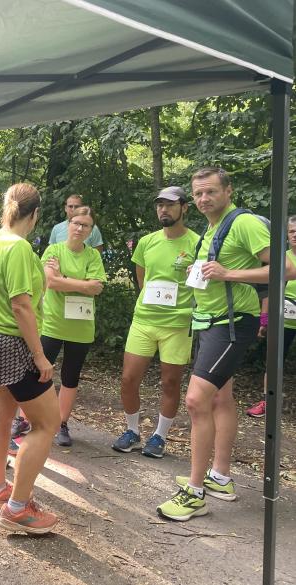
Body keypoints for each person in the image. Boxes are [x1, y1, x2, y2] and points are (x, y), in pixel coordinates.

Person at [156, 167, 295, 521]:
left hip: (232, 325)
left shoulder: (244, 223)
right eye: (198, 194)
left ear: (228, 191)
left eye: (210, 192)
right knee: (220, 398)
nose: (204, 199)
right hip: (210, 322)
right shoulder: (214, 226)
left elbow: (288, 268)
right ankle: (219, 476)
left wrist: (228, 273)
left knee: (195, 399)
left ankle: (195, 492)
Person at [0, 183, 60, 534]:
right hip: (11, 343)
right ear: (35, 214)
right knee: (47, 424)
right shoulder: (19, 248)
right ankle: (17, 509)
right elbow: (21, 304)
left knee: (2, 414)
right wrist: (40, 356)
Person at [112, 187, 198, 458]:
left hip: (178, 324)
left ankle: (160, 436)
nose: (164, 209)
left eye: (170, 205)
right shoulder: (147, 242)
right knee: (128, 379)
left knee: (170, 383)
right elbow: (142, 280)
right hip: (144, 320)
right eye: (160, 205)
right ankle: (132, 431)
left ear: (184, 208)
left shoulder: (197, 243)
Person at [41, 206, 106, 446]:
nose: (80, 228)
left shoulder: (93, 256)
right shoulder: (54, 250)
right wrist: (82, 284)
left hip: (80, 327)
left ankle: (61, 424)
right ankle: (28, 419)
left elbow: (97, 287)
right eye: (76, 223)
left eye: (85, 225)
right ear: (68, 224)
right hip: (51, 323)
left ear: (91, 230)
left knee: (70, 377)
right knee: (39, 374)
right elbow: (49, 282)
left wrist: (64, 279)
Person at [245, 215, 296, 418]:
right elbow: (268, 291)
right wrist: (264, 321)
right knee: (273, 361)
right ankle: (268, 402)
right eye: (292, 231)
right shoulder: (280, 259)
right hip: (284, 319)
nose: (295, 235)